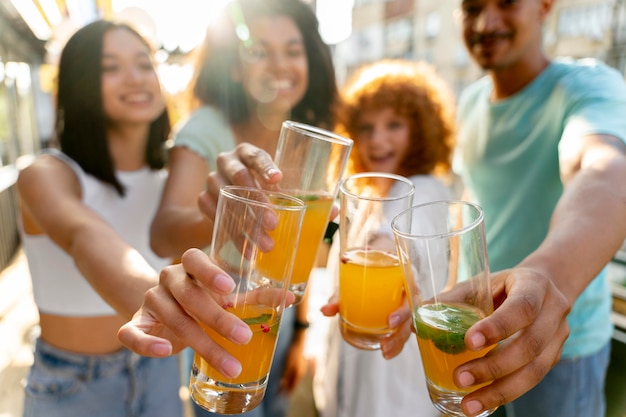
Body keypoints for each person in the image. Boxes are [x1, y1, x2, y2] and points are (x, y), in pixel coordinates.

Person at [147, 1, 338, 416]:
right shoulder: (205, 127)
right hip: (221, 319)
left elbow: (296, 257)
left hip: (280, 318)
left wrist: (301, 334)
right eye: (259, 51)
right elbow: (162, 231)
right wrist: (220, 216)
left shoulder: (310, 143)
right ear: (234, 67)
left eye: (292, 49)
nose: (279, 64)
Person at [449, 0, 626, 416]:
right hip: (476, 335)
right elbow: (472, 210)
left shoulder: (588, 85)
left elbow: (602, 171)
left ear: (545, 6)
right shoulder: (471, 101)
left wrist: (548, 278)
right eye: (472, 7)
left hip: (562, 350)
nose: (486, 22)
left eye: (506, 3)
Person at [17, 20, 183, 417]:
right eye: (110, 67)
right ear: (78, 84)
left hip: (159, 369)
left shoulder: (175, 178)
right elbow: (83, 236)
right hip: (74, 386)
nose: (135, 78)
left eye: (144, 64)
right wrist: (175, 309)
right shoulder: (47, 173)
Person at [308, 59, 456, 417]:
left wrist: (381, 252)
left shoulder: (424, 189)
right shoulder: (367, 198)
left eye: (394, 125)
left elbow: (404, 239)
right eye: (366, 127)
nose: (377, 139)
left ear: (420, 131)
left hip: (393, 400)